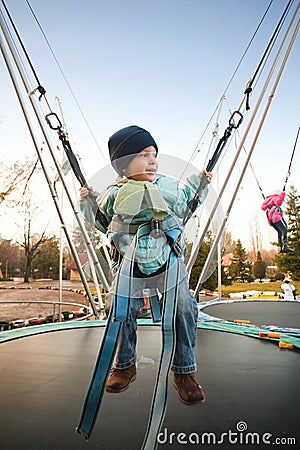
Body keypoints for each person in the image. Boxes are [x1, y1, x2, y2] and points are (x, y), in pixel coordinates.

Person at [79, 125, 212, 406]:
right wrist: (88, 203)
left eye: (154, 155)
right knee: (120, 308)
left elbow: (188, 202)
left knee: (184, 306)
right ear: (124, 165)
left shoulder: (167, 186)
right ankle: (125, 364)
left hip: (166, 260)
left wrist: (198, 183)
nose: (152, 161)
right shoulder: (115, 192)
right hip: (130, 264)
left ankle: (185, 371)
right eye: (143, 155)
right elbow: (100, 221)